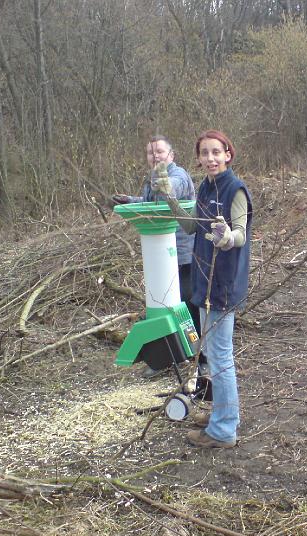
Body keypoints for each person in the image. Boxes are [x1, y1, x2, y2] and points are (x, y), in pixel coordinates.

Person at [155, 130, 252, 449]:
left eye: (216, 152)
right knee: (212, 353)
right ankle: (222, 414)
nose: (210, 158)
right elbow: (188, 226)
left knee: (221, 357)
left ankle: (224, 430)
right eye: (204, 153)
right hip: (204, 281)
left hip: (222, 285)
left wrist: (227, 238)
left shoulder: (234, 189)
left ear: (228, 154)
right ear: (198, 158)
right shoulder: (207, 188)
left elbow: (240, 233)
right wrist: (169, 195)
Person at [112, 136, 204, 380]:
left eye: (160, 152)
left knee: (187, 304)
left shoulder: (178, 175)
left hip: (181, 252)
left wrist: (163, 183)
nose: (155, 156)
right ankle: (172, 354)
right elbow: (150, 202)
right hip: (159, 254)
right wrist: (130, 201)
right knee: (166, 304)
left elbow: (170, 191)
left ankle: (198, 356)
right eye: (151, 153)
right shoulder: (151, 179)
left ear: (171, 155)